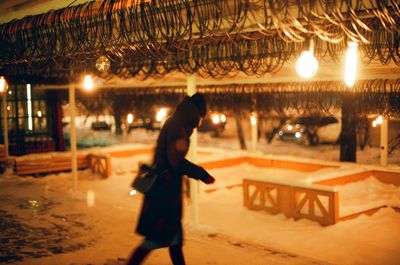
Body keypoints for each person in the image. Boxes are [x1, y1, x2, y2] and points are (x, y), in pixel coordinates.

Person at [127, 93, 215, 265]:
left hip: (166, 192)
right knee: (153, 240)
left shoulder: (177, 123)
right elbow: (176, 162)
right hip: (164, 195)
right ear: (197, 113)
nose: (201, 122)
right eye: (202, 117)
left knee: (174, 242)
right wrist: (201, 173)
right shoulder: (178, 127)